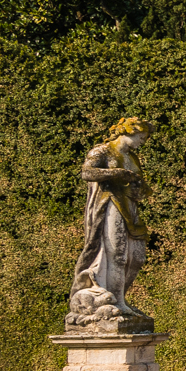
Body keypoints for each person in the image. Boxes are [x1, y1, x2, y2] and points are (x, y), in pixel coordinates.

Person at [67, 116, 154, 330]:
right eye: (141, 137)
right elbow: (87, 172)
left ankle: (120, 297)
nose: (142, 142)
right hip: (109, 204)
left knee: (137, 257)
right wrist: (118, 173)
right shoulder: (103, 151)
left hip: (129, 206)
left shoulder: (132, 157)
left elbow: (137, 183)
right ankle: (118, 302)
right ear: (128, 132)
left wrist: (140, 187)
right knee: (118, 254)